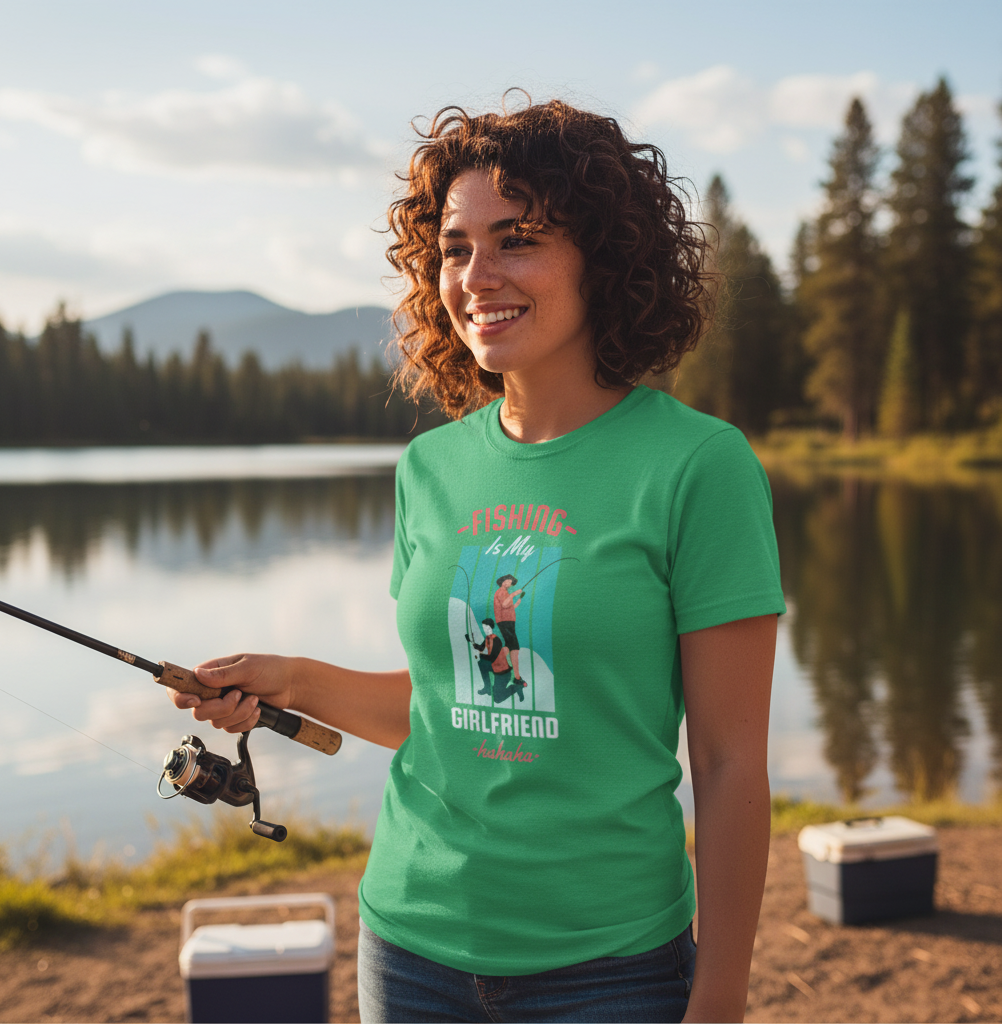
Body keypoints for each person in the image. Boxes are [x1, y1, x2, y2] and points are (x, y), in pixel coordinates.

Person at [169, 98, 785, 1023]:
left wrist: (723, 992)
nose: (477, 276)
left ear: (604, 260)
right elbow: (447, 703)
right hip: (411, 949)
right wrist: (290, 676)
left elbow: (732, 760)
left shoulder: (698, 466)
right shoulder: (430, 467)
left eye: (519, 239)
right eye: (456, 248)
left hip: (608, 968)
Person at [492, 574, 524, 680]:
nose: (509, 584)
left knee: (511, 646)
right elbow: (505, 605)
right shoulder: (501, 591)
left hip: (509, 621)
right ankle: (496, 663)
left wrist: (517, 603)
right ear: (503, 582)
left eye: (510, 583)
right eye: (508, 582)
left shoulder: (505, 592)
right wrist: (513, 594)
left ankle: (516, 676)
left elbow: (509, 608)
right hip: (504, 621)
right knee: (514, 647)